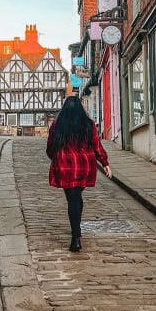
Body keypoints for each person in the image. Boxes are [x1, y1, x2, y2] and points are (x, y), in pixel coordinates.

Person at [46, 96, 112, 252]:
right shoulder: (88, 124)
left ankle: (76, 237)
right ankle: (76, 231)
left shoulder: (58, 125)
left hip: (65, 166)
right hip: (84, 165)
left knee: (72, 198)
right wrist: (105, 163)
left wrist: (55, 158)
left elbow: (50, 147)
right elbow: (96, 145)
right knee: (76, 197)